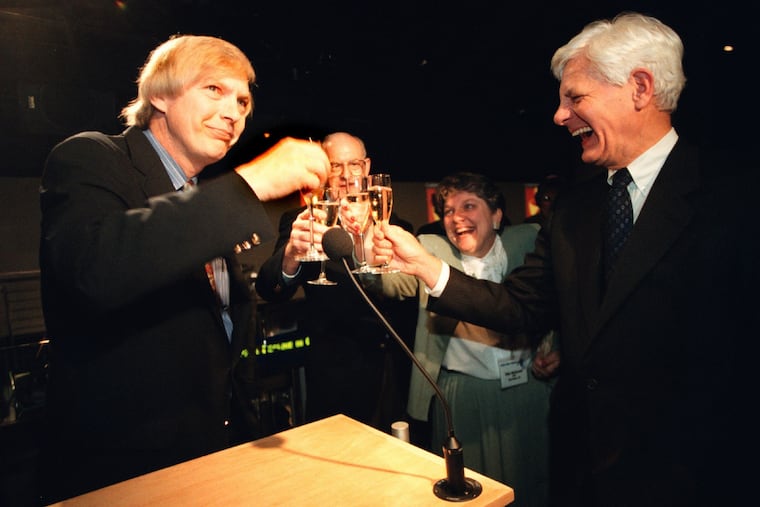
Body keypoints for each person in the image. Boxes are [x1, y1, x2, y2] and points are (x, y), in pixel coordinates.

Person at [373, 13, 754, 507]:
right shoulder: (575, 206)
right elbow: (522, 307)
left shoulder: (736, 199)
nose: (559, 115)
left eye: (574, 97)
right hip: (582, 469)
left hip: (694, 473)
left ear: (640, 87)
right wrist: (427, 267)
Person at [37, 34, 329, 503]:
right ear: (159, 94)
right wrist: (252, 182)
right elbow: (91, 273)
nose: (235, 111)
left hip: (213, 457)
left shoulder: (204, 195)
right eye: (213, 89)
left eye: (242, 99)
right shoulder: (89, 156)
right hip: (124, 474)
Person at [367, 172, 556, 506]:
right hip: (463, 397)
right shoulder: (431, 250)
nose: (456, 217)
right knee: (471, 492)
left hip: (529, 392)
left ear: (497, 215)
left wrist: (557, 347)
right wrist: (367, 250)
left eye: (469, 205)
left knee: (537, 484)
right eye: (448, 211)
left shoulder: (530, 242)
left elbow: (561, 300)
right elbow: (390, 284)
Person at [254, 131, 415, 431]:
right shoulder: (304, 221)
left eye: (352, 164)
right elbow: (270, 289)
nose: (344, 175)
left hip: (397, 374)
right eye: (335, 166)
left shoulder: (396, 225)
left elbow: (409, 296)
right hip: (337, 377)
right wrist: (291, 255)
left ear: (366, 168)